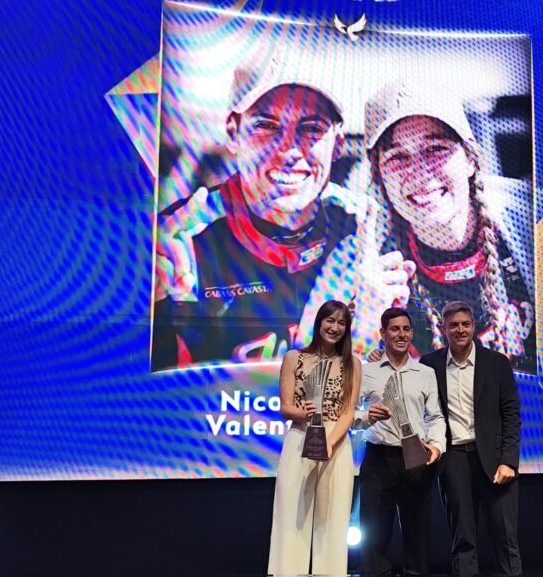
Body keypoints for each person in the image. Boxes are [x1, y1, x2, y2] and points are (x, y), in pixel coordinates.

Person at [150, 52, 403, 369]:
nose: (289, 150)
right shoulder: (179, 238)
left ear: (338, 144)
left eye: (311, 128)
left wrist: (371, 325)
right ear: (233, 133)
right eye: (266, 126)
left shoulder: (365, 227)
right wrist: (149, 308)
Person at [363, 81, 537, 373]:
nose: (419, 173)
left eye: (435, 149)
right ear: (379, 177)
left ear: (470, 159)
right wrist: (364, 327)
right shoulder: (373, 267)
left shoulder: (532, 220)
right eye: (397, 157)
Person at [419, 300, 521, 577]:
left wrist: (509, 461)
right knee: (462, 541)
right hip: (453, 461)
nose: (460, 330)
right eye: (453, 325)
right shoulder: (429, 365)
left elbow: (511, 414)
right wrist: (378, 357)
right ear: (443, 328)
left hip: (495, 462)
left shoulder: (496, 363)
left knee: (505, 539)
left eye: (465, 324)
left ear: (474, 326)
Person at [268, 300, 362, 576]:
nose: (335, 327)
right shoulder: (294, 358)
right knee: (292, 514)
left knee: (332, 517)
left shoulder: (353, 364)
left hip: (336, 443)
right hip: (300, 437)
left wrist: (329, 443)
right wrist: (303, 413)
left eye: (341, 323)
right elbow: (285, 408)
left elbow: (348, 411)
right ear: (319, 322)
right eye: (330, 320)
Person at [353, 307, 447, 576]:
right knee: (374, 537)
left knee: (417, 537)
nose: (401, 334)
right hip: (378, 459)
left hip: (416, 459)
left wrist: (436, 446)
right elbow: (348, 413)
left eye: (406, 329)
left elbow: (435, 416)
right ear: (382, 333)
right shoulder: (366, 371)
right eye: (394, 329)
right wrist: (367, 416)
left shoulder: (425, 372)